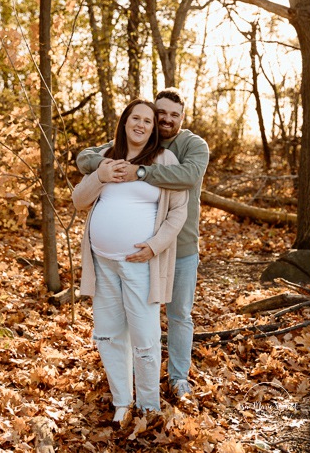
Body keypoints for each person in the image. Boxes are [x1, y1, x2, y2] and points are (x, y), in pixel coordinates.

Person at [77, 88, 209, 399]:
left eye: (174, 115)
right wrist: (104, 166)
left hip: (182, 247)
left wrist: (139, 171)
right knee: (131, 319)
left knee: (178, 315)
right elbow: (86, 156)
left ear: (182, 118)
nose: (165, 119)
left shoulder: (191, 145)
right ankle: (125, 382)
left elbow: (188, 177)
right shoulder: (133, 139)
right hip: (136, 255)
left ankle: (177, 379)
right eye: (160, 113)